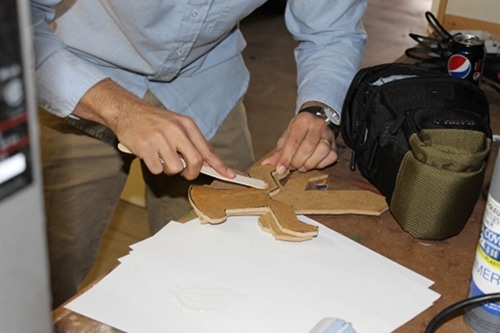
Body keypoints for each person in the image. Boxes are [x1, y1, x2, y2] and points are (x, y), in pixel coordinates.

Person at [31, 0, 367, 308]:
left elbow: (333, 30)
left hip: (204, 81)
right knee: (46, 271)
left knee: (223, 261)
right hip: (73, 73)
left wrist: (319, 110)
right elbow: (17, 29)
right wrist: (120, 111)